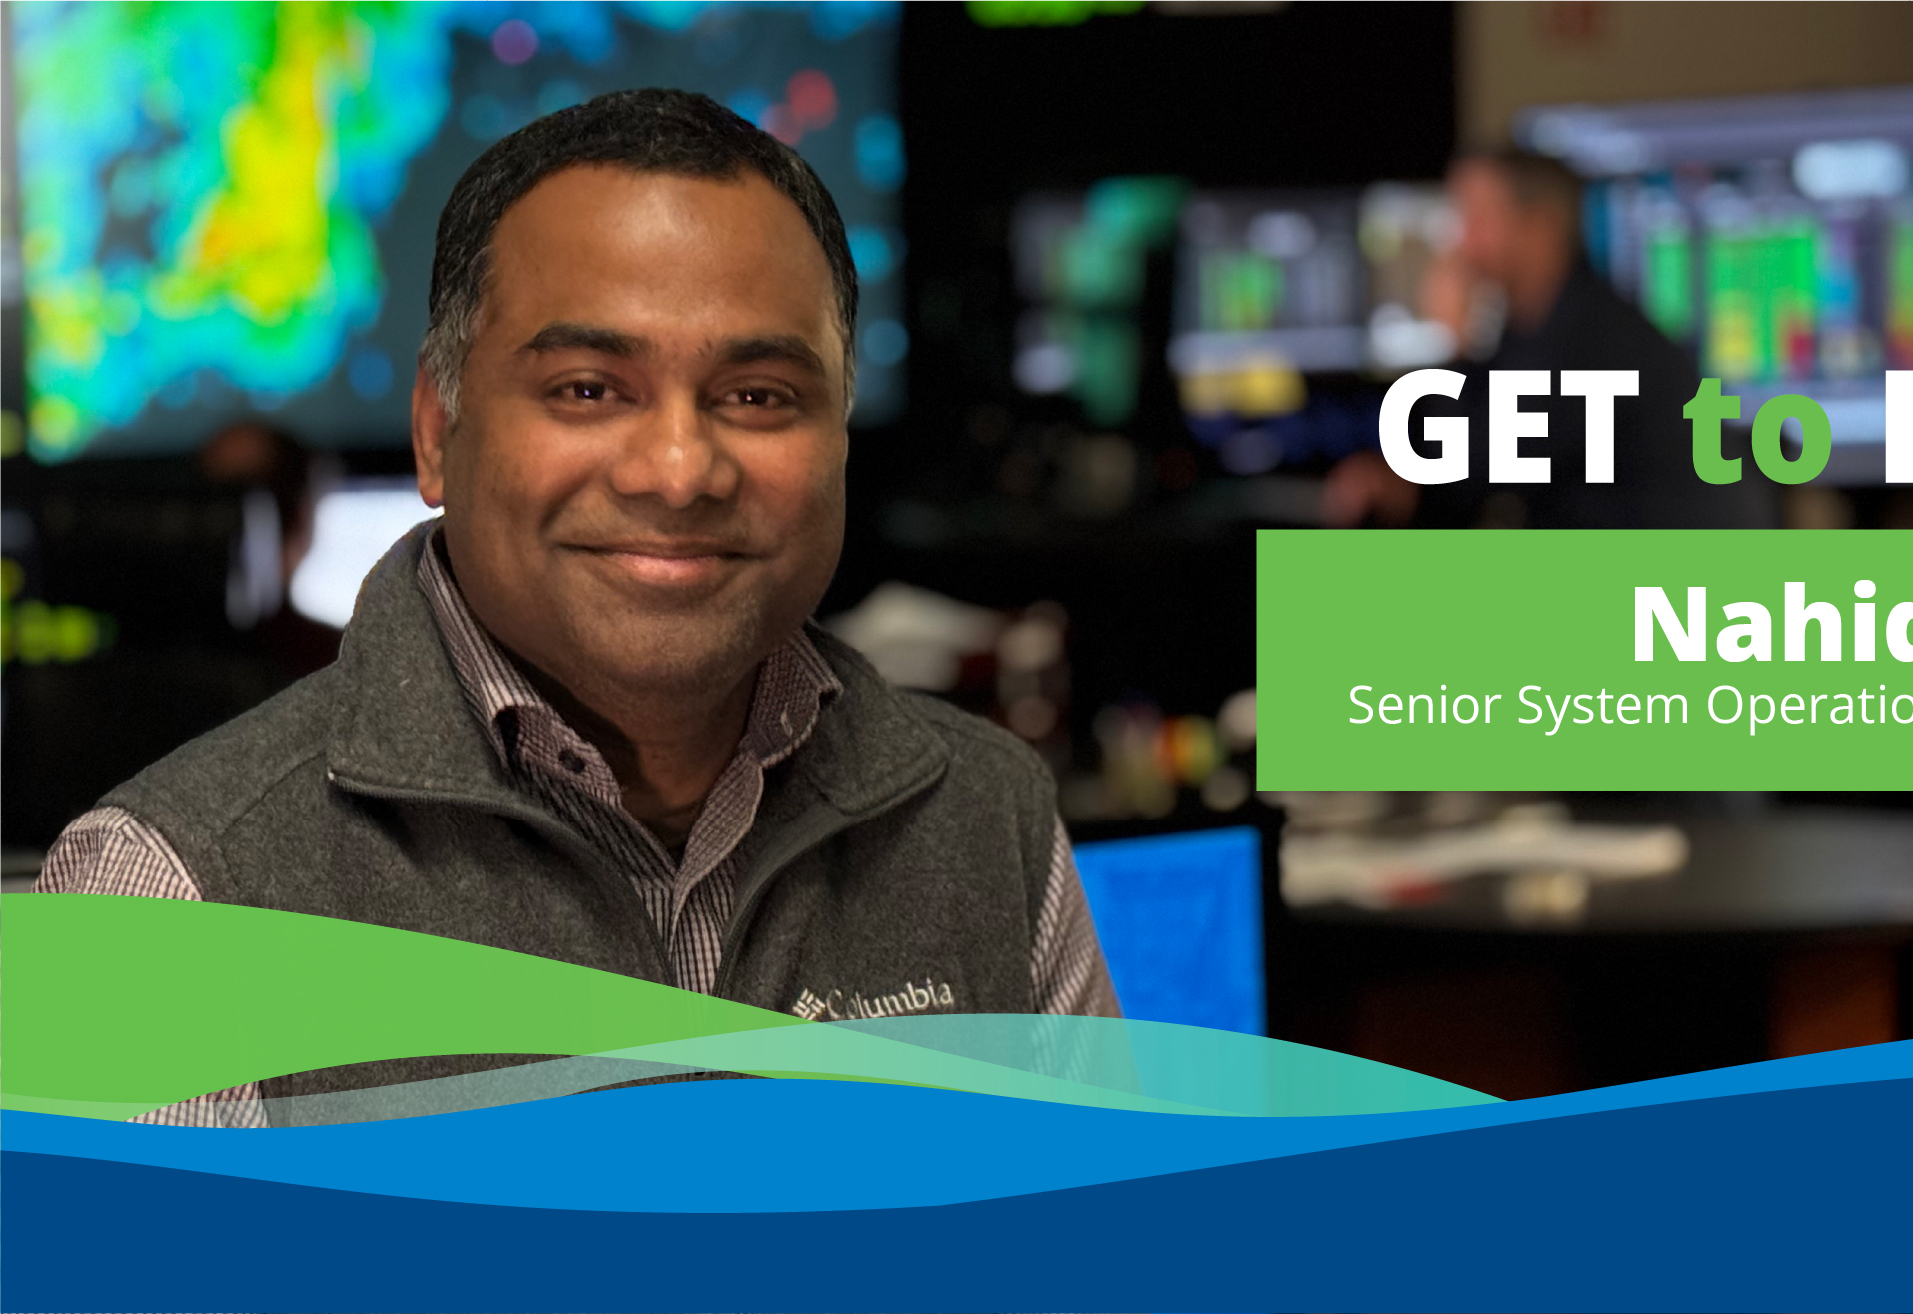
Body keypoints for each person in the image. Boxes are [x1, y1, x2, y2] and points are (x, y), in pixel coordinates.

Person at [37, 89, 1119, 1126]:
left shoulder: (988, 819)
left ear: (838, 435)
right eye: (588, 389)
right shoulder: (168, 900)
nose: (680, 470)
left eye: (757, 396)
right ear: (433, 428)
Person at [1323, 148, 1775, 530]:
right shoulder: (1540, 329)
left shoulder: (1596, 344)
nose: (1460, 244)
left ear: (1539, 227)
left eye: (1478, 219)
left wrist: (1452, 342)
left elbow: (1461, 477)